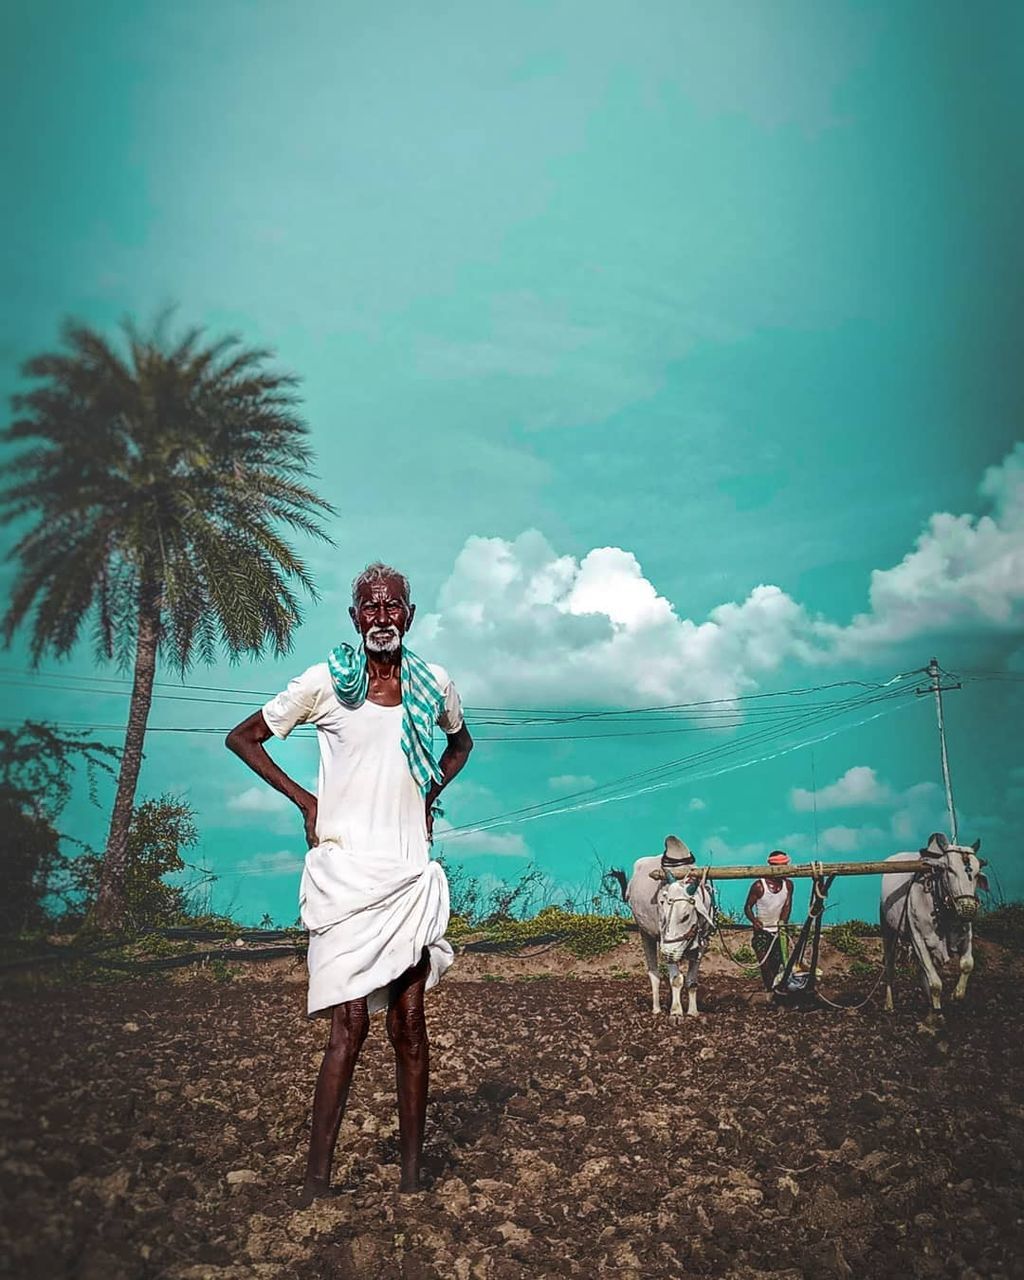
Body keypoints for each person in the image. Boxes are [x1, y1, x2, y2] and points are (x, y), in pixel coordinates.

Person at [226, 562, 473, 1201]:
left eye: (393, 606)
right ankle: (316, 1183)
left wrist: (430, 792)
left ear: (409, 616)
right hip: (345, 874)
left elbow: (460, 746)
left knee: (411, 1021)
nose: (382, 616)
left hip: (407, 870)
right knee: (349, 1025)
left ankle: (413, 1182)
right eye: (370, 606)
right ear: (355, 617)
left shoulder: (433, 683)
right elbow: (245, 738)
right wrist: (307, 803)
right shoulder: (325, 684)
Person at [743, 851, 794, 993]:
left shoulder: (788, 885)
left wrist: (783, 922)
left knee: (777, 963)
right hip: (762, 932)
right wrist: (754, 920)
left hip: (779, 931)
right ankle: (771, 991)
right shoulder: (759, 886)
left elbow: (787, 906)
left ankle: (776, 990)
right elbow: (747, 907)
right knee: (764, 964)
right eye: (782, 866)